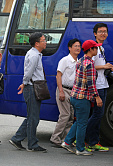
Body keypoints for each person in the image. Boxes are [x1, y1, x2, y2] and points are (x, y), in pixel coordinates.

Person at [61, 40, 103, 156]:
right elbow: (91, 84)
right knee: (82, 123)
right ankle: (80, 148)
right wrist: (97, 97)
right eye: (95, 48)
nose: (97, 49)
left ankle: (67, 142)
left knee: (79, 122)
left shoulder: (80, 60)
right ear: (91, 49)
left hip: (75, 96)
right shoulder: (89, 64)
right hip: (83, 98)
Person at [9, 32, 47, 152]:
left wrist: (24, 83)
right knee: (33, 117)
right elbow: (29, 72)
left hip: (31, 86)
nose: (45, 42)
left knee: (32, 116)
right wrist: (24, 83)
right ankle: (32, 144)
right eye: (43, 40)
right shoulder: (34, 55)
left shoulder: (35, 54)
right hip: (32, 88)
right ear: (37, 43)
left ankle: (17, 138)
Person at [85, 23, 113, 152]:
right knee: (97, 114)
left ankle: (93, 142)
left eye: (105, 31)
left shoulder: (101, 48)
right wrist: (104, 67)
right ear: (95, 33)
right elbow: (88, 65)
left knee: (99, 115)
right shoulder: (93, 49)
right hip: (97, 85)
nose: (103, 34)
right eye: (100, 31)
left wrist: (106, 66)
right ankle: (81, 138)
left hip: (103, 83)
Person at [50, 39, 81, 147]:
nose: (78, 48)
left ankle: (66, 139)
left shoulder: (78, 61)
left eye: (79, 46)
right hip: (63, 89)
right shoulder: (65, 60)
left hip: (73, 91)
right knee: (65, 114)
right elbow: (58, 76)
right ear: (70, 48)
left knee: (71, 116)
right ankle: (55, 138)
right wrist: (61, 92)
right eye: (75, 46)